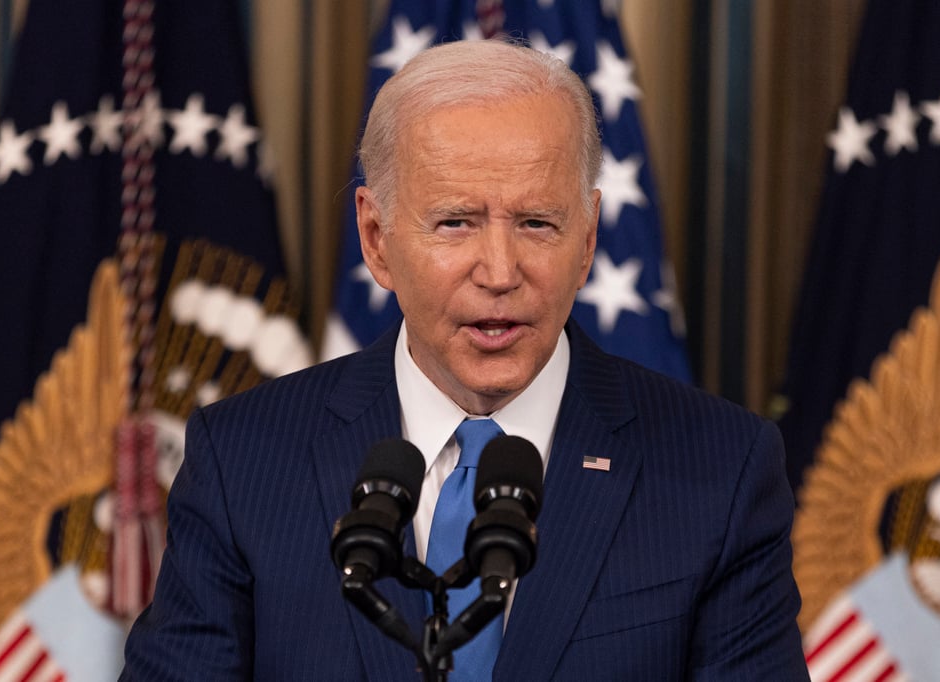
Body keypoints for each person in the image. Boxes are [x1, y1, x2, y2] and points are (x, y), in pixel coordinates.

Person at [122, 39, 809, 680]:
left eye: (537, 223)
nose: (501, 272)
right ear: (376, 238)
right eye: (456, 222)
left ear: (589, 238)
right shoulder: (241, 462)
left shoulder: (721, 470)